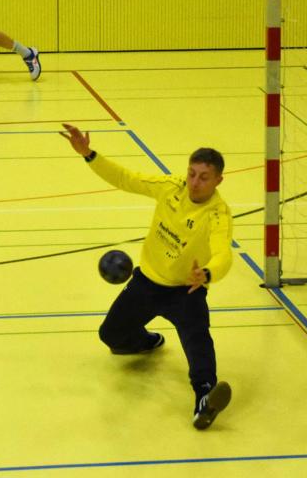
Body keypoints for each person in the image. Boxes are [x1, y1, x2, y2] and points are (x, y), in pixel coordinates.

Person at [59, 123, 234, 429]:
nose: (195, 182)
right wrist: (88, 154)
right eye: (192, 173)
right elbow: (127, 179)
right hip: (147, 282)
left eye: (204, 177)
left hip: (186, 290)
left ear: (218, 180)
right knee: (110, 336)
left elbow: (224, 254)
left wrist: (206, 273)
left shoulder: (218, 214)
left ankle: (205, 397)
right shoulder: (171, 187)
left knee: (198, 340)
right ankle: (147, 340)